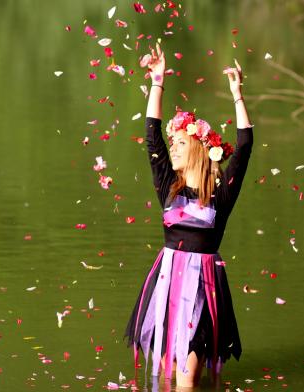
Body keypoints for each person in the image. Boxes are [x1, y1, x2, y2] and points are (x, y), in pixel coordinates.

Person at [125, 43, 253, 388]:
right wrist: (157, 82)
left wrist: (237, 95)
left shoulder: (221, 195)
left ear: (198, 148)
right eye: (174, 143)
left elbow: (243, 148)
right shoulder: (169, 186)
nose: (173, 147)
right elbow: (152, 137)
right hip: (167, 285)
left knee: (188, 382)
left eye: (180, 142)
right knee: (168, 379)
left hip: (203, 288)